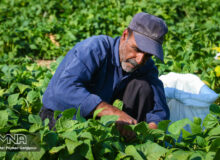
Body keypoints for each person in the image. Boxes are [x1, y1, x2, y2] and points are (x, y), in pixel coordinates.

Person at [40, 12, 170, 138]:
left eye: (148, 55)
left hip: (102, 124)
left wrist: (148, 132)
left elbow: (159, 111)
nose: (140, 59)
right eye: (137, 49)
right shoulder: (94, 49)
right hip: (62, 117)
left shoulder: (146, 66)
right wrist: (113, 113)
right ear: (125, 35)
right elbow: (64, 89)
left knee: (143, 86)